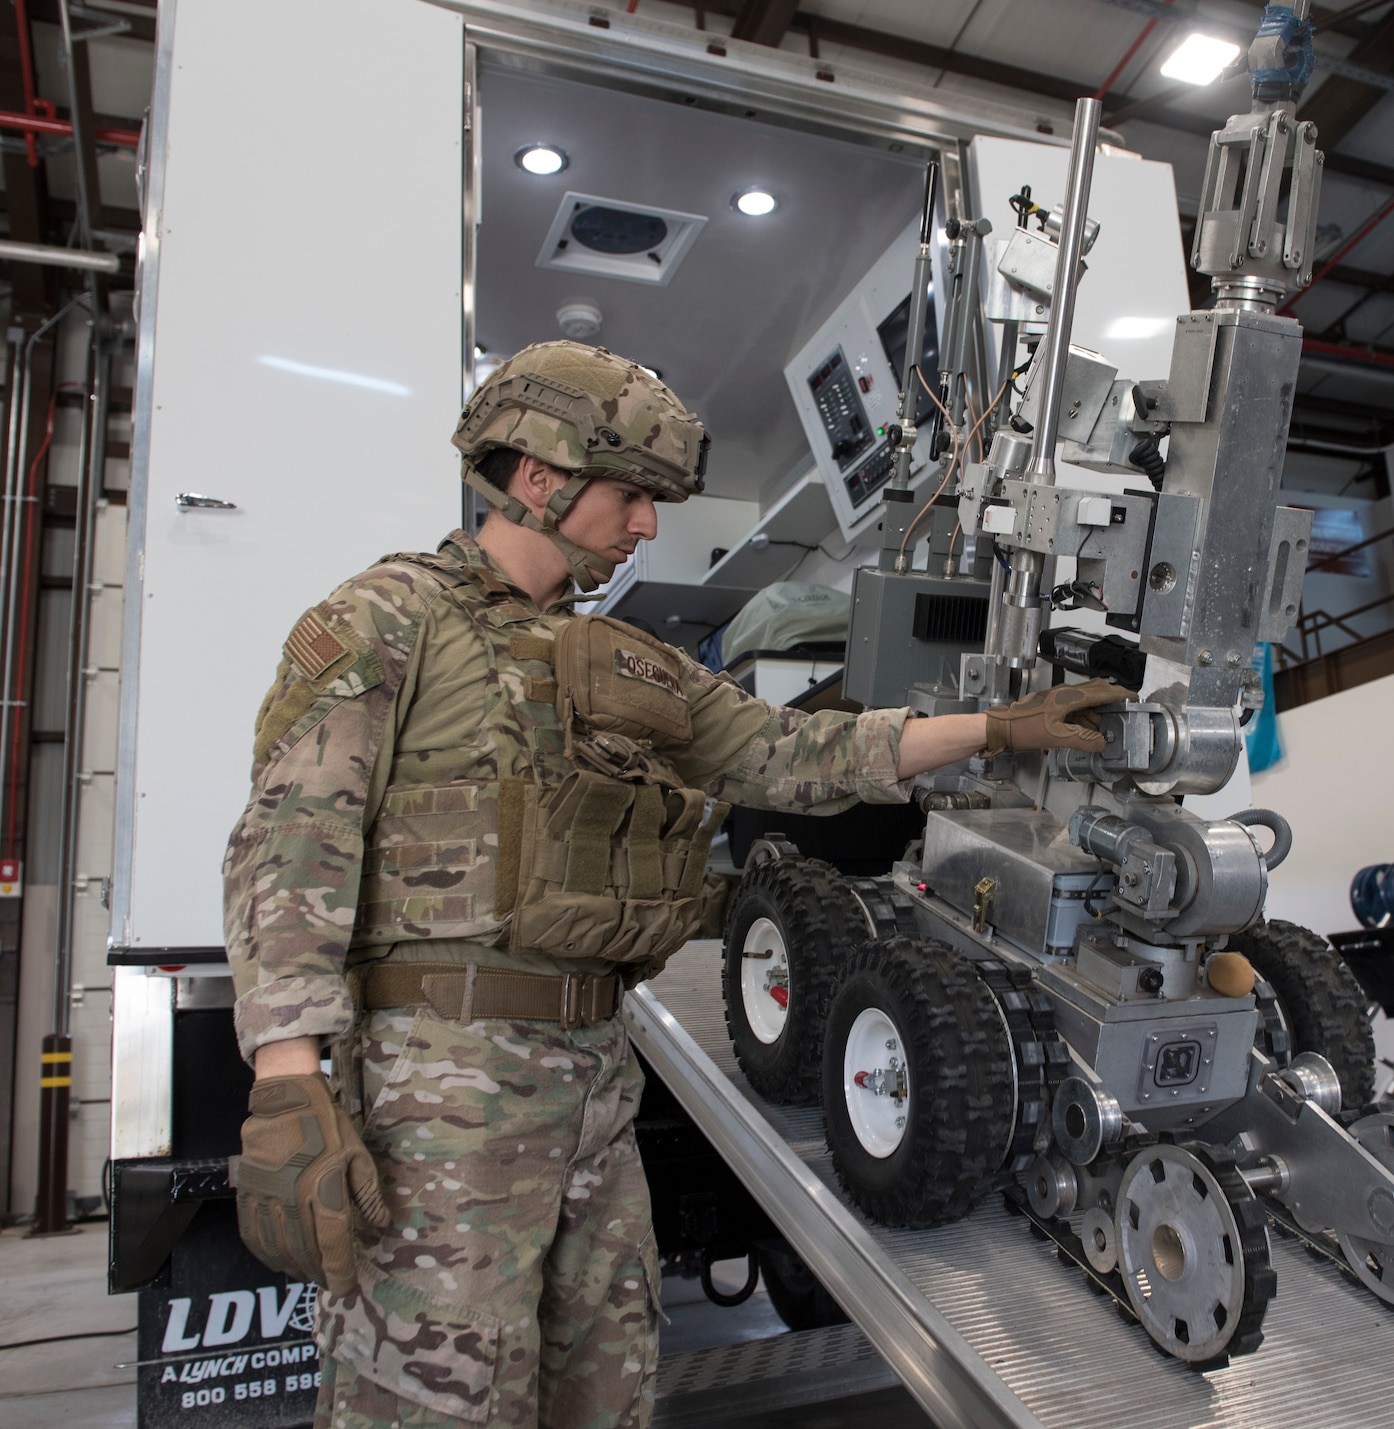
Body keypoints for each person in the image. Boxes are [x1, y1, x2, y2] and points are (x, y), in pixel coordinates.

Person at [224, 340, 1126, 1429]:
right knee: (429, 1404)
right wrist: (287, 1074)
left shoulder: (618, 664)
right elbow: (291, 840)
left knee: (608, 1392)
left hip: (595, 1084)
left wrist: (993, 728)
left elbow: (787, 752)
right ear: (542, 476)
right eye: (632, 495)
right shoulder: (388, 619)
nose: (647, 524)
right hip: (439, 1095)